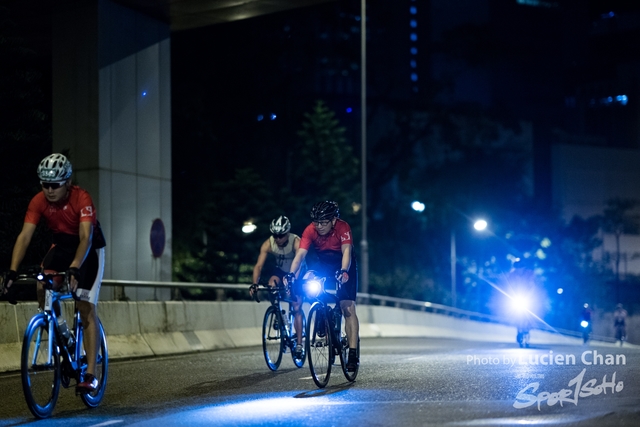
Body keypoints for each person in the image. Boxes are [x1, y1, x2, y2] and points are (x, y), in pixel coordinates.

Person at [2, 153, 106, 393]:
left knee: (84, 306)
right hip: (61, 246)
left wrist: (75, 267)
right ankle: (61, 331)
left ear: (67, 183)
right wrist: (12, 271)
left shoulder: (82, 198)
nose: (49, 190)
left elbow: (85, 238)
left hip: (88, 249)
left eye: (55, 185)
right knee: (42, 284)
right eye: (44, 184)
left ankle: (91, 374)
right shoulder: (39, 201)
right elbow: (25, 236)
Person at [285, 201, 360, 371]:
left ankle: (353, 354)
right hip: (324, 264)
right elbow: (300, 255)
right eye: (316, 222)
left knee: (347, 307)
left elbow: (347, 252)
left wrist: (343, 271)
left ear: (333, 220)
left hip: (343, 263)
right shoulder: (310, 230)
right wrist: (290, 274)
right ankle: (322, 311)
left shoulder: (343, 227)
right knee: (306, 279)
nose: (319, 226)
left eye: (323, 222)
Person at [249, 216, 305, 358]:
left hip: (297, 270)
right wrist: (255, 284)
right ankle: (278, 313)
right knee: (271, 283)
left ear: (287, 233)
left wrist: (292, 283)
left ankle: (299, 345)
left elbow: (299, 263)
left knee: (297, 306)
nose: (278, 239)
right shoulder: (268, 243)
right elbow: (259, 266)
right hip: (281, 271)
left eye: (281, 235)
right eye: (275, 235)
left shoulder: (296, 242)